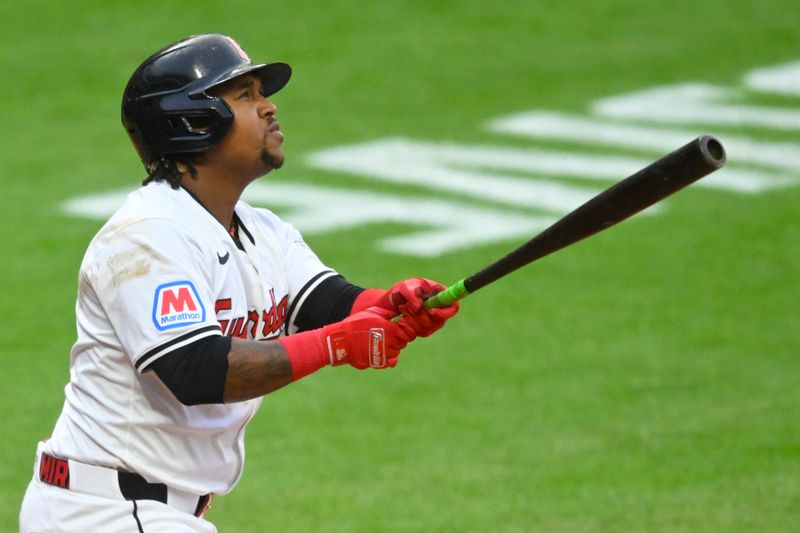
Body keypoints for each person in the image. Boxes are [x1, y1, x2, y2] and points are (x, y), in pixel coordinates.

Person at [19, 33, 459, 533]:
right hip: (104, 512)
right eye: (246, 96)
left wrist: (395, 304)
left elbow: (329, 304)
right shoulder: (147, 236)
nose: (269, 108)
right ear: (194, 121)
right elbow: (199, 371)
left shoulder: (262, 230)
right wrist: (341, 344)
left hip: (142, 512)